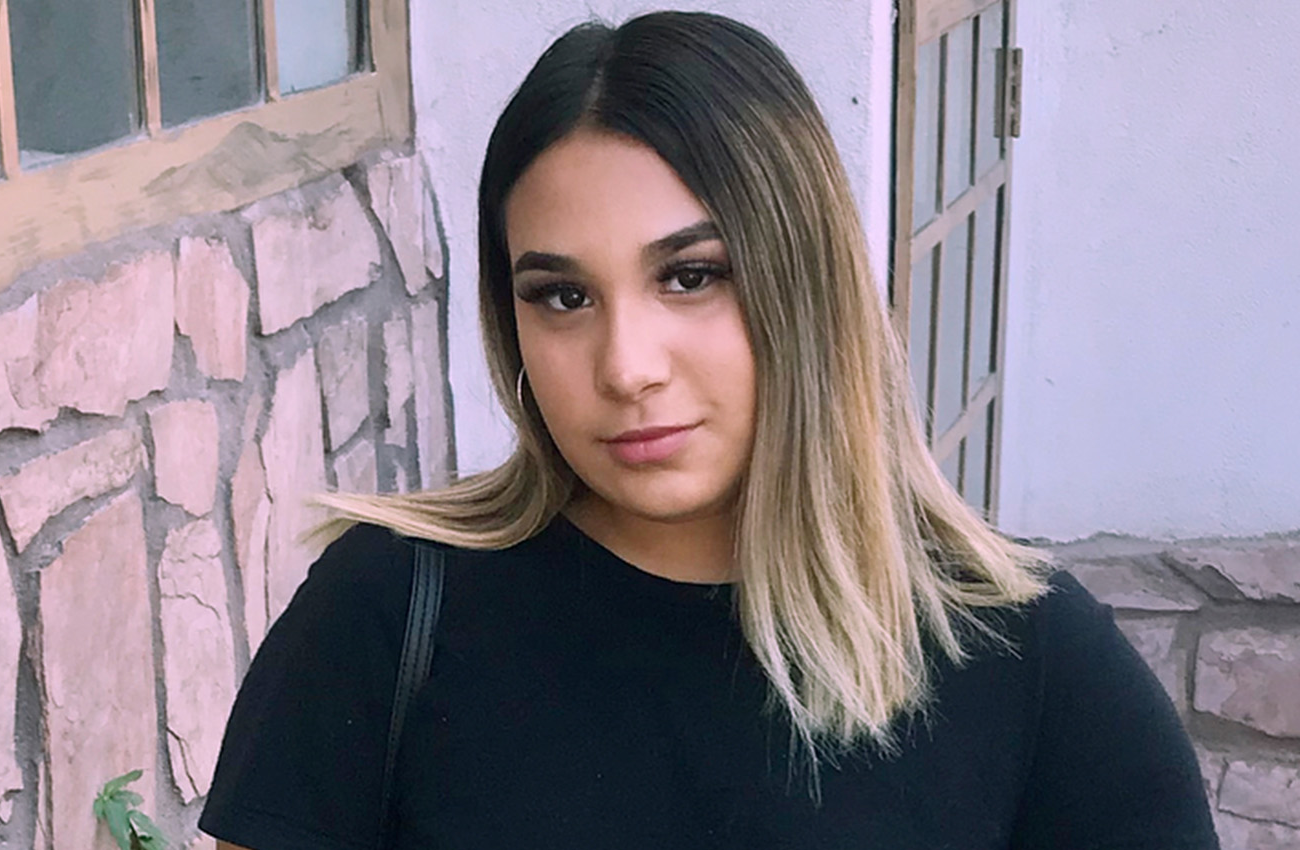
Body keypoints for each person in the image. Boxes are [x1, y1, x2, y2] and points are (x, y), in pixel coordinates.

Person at [199, 11, 1216, 850]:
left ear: (806, 284)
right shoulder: (386, 615)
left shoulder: (1026, 658)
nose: (626, 366)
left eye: (691, 276)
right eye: (562, 296)